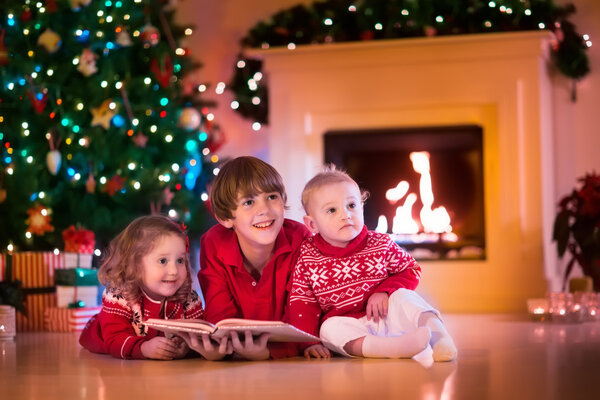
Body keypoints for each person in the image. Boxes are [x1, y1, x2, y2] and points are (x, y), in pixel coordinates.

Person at [287, 165, 458, 362]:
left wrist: (384, 291)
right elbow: (302, 303)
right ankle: (391, 348)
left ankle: (439, 338)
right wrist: (310, 342)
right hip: (351, 327)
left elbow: (411, 268)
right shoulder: (308, 256)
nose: (345, 215)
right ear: (312, 224)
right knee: (328, 329)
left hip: (387, 316)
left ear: (361, 207)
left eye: (351, 205)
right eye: (332, 210)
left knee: (405, 296)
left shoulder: (380, 243)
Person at [196, 156, 310, 360]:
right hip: (236, 356)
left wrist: (269, 352)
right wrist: (222, 348)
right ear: (225, 218)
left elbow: (304, 313)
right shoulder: (213, 243)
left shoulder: (301, 239)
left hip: (289, 358)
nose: (264, 210)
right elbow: (219, 316)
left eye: (272, 197)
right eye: (249, 202)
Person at [79, 215, 231, 361]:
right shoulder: (119, 295)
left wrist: (186, 347)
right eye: (163, 261)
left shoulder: (188, 298)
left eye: (180, 260)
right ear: (135, 265)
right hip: (107, 343)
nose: (174, 270)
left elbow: (198, 333)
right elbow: (114, 339)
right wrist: (143, 348)